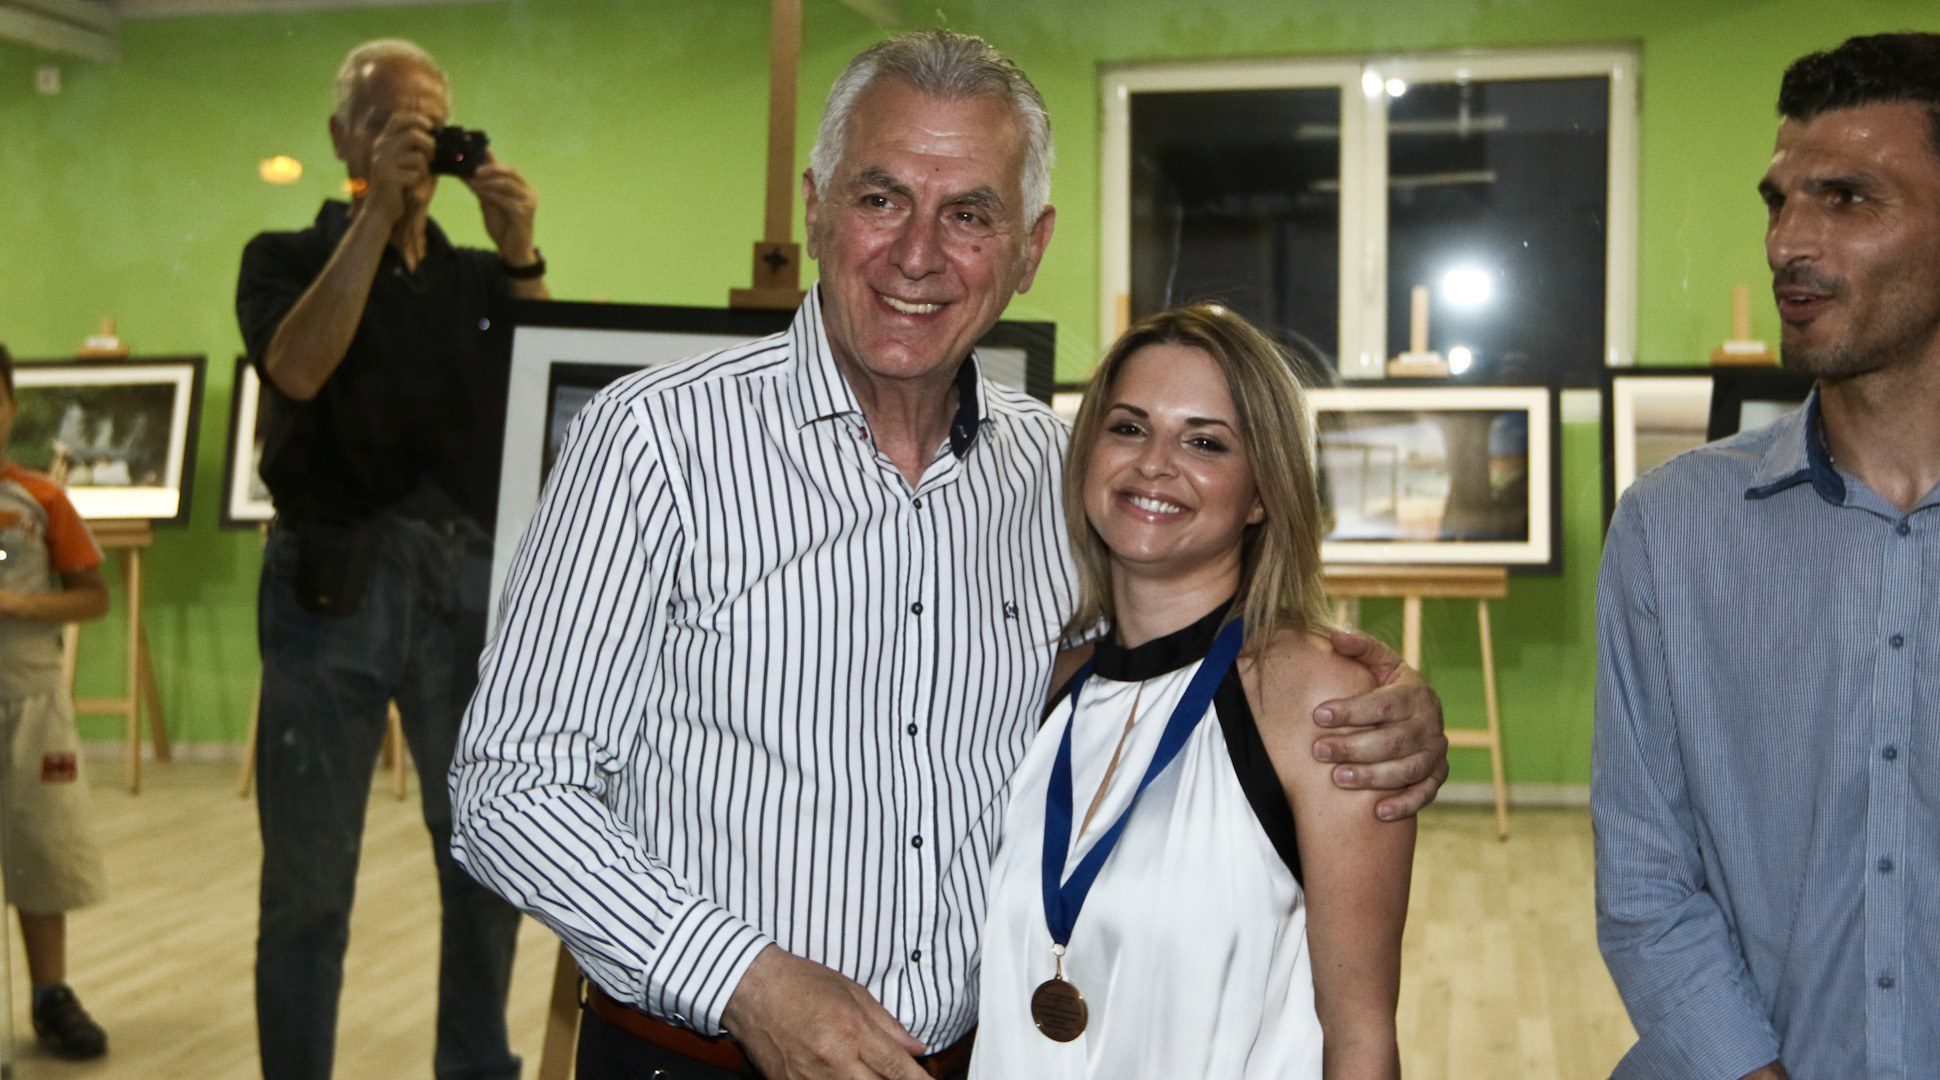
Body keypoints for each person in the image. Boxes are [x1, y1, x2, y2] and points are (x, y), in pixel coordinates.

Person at [453, 30, 1445, 1080]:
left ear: (1029, 248)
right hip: (700, 1057)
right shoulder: (653, 443)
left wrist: (1379, 701)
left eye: (969, 214)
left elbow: (1171, 664)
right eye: (881, 198)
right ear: (816, 206)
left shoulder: (1057, 474)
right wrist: (748, 982)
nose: (917, 253)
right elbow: (509, 789)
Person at [1594, 32, 1940, 1080]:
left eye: (1847, 200)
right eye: (1778, 201)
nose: (1788, 242)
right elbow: (1645, 884)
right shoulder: (1670, 528)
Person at [972, 305, 1412, 1078]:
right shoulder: (1048, 689)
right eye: (1128, 428)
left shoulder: (1321, 706)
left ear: (1262, 493)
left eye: (1204, 442)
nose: (1154, 464)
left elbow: (1361, 1039)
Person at [232, 38, 548, 1080]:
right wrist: (373, 217)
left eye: (429, 123)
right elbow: (297, 369)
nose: (412, 141)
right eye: (386, 121)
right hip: (329, 586)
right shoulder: (281, 257)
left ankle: (476, 1065)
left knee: (487, 862)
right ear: (341, 138)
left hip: (468, 588)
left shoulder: (477, 277)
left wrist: (521, 254)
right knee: (308, 888)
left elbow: (539, 403)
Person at [0, 344, 113, 1060]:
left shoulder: (41, 499)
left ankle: (51, 994)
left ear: (12, 406)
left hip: (28, 702)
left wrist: (21, 604)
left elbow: (94, 598)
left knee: (41, 846)